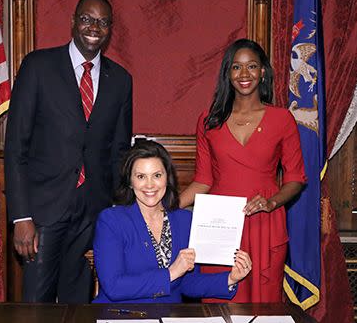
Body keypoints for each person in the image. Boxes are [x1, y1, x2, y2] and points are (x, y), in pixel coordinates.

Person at [4, 0, 132, 303]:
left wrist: (117, 212)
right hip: (44, 213)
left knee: (79, 305)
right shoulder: (38, 66)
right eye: (87, 19)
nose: (94, 27)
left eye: (102, 22)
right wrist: (21, 217)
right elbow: (16, 147)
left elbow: (119, 152)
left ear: (110, 29)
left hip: (93, 214)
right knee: (37, 304)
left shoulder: (121, 80)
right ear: (73, 22)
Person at [179, 38, 306, 303]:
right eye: (236, 67)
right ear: (228, 73)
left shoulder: (282, 119)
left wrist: (271, 202)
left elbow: (295, 179)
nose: (244, 74)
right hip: (219, 225)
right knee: (219, 301)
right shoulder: (208, 120)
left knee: (263, 306)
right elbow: (203, 180)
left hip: (264, 224)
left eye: (252, 66)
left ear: (263, 72)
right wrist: (163, 206)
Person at [93, 141, 252, 303]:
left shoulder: (184, 220)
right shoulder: (111, 221)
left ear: (167, 179)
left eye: (157, 175)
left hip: (169, 315)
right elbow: (114, 287)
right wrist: (172, 272)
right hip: (120, 316)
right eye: (141, 176)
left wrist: (231, 279)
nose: (149, 185)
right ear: (130, 182)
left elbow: (187, 284)